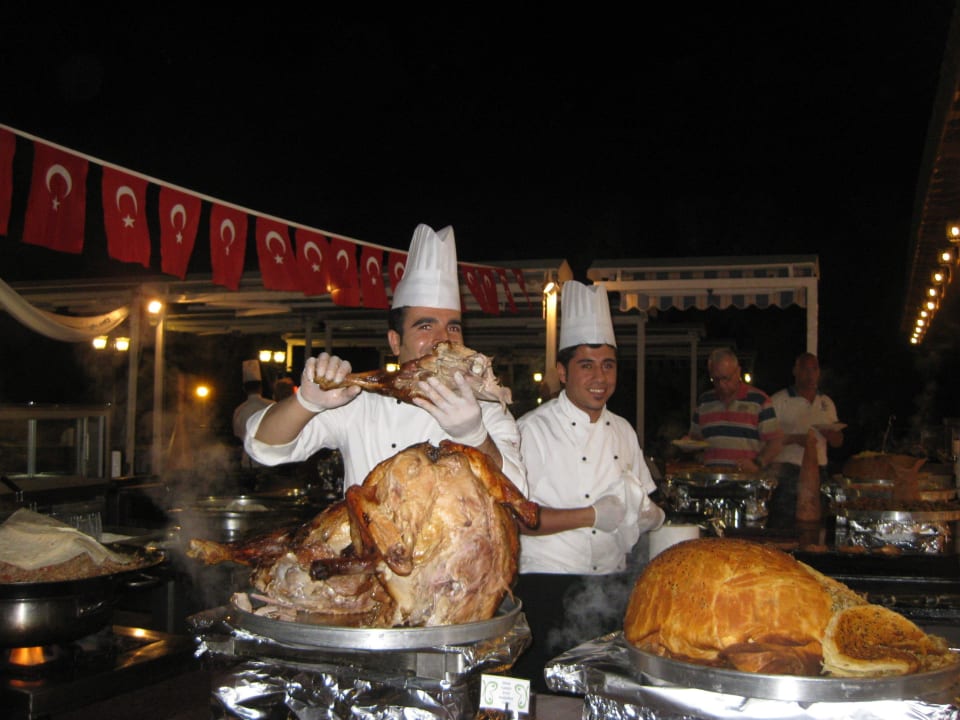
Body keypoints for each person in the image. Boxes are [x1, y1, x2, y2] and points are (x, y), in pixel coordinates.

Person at [243, 223, 525, 494]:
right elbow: (264, 448)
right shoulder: (359, 403)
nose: (444, 339)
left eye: (453, 326)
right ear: (395, 341)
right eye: (425, 326)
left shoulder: (486, 411)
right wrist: (305, 403)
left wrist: (475, 436)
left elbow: (519, 493)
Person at [511, 281, 665, 693]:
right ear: (562, 372)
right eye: (587, 365)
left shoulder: (623, 431)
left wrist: (649, 515)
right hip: (547, 589)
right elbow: (517, 518)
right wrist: (593, 516)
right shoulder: (531, 431)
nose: (600, 377)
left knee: (602, 698)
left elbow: (640, 500)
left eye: (608, 365)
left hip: (610, 590)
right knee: (546, 701)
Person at [768, 352, 843, 526]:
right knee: (783, 520)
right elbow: (767, 437)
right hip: (788, 470)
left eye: (814, 369)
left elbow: (838, 441)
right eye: (805, 369)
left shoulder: (826, 403)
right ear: (796, 370)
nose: (810, 375)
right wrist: (794, 439)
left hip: (819, 469)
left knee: (815, 520)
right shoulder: (779, 401)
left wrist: (832, 435)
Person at [688, 347, 783, 472]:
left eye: (726, 378)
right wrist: (690, 446)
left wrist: (758, 463)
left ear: (738, 372)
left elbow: (775, 442)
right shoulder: (704, 402)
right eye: (716, 380)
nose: (721, 384)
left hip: (745, 479)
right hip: (712, 478)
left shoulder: (759, 401)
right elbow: (696, 439)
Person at [232, 359, 275, 470]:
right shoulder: (272, 406)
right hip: (270, 461)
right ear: (261, 387)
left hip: (248, 462)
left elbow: (237, 435)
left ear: (244, 389)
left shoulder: (239, 411)